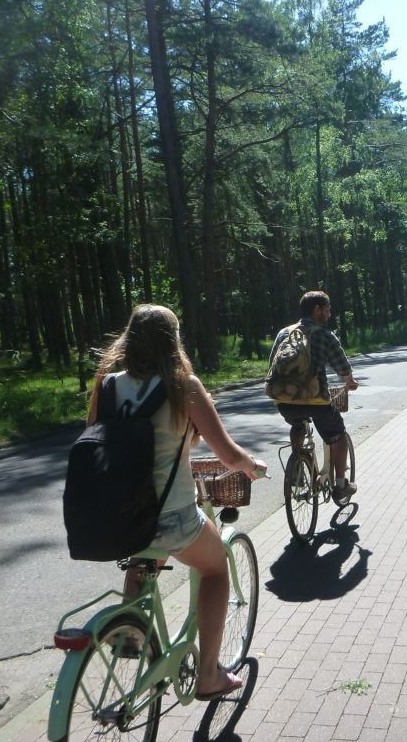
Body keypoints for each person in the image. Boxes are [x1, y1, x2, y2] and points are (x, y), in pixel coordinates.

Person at [87, 304, 266, 702]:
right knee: (215, 565)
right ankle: (208, 676)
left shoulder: (109, 385)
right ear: (174, 341)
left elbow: (96, 441)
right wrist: (252, 465)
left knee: (143, 557)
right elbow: (227, 454)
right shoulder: (184, 386)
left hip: (117, 517)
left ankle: (130, 638)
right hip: (171, 517)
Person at [270, 291, 359, 499]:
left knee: (297, 424)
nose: (329, 314)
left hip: (284, 399)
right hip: (315, 400)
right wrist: (350, 381)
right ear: (317, 309)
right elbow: (341, 365)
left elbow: (272, 365)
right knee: (338, 434)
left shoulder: (284, 333)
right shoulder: (324, 334)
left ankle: (298, 468)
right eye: (327, 309)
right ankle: (340, 485)